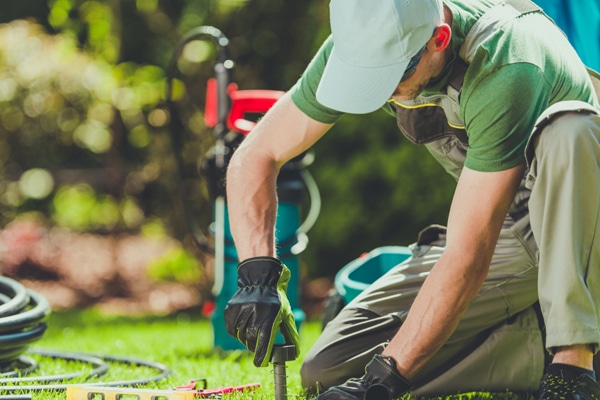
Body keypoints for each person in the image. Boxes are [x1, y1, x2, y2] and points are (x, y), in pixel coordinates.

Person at [222, 0, 600, 398]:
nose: (381, 91)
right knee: (328, 368)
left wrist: (383, 382)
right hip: (510, 230)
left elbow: (467, 255)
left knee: (570, 131)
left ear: (439, 39)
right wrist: (257, 274)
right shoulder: (367, 41)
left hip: (581, 223)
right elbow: (256, 155)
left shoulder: (506, 61)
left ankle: (573, 364)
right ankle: (544, 340)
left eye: (392, 76)